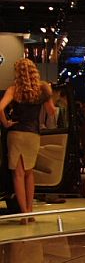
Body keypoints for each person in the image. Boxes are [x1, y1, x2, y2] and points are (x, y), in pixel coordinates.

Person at [0, 59, 56, 222]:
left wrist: (5, 123)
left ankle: (23, 213)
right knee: (29, 173)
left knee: (17, 175)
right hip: (33, 135)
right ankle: (30, 211)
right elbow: (51, 112)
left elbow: (0, 108)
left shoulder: (14, 89)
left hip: (16, 133)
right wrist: (50, 95)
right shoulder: (43, 88)